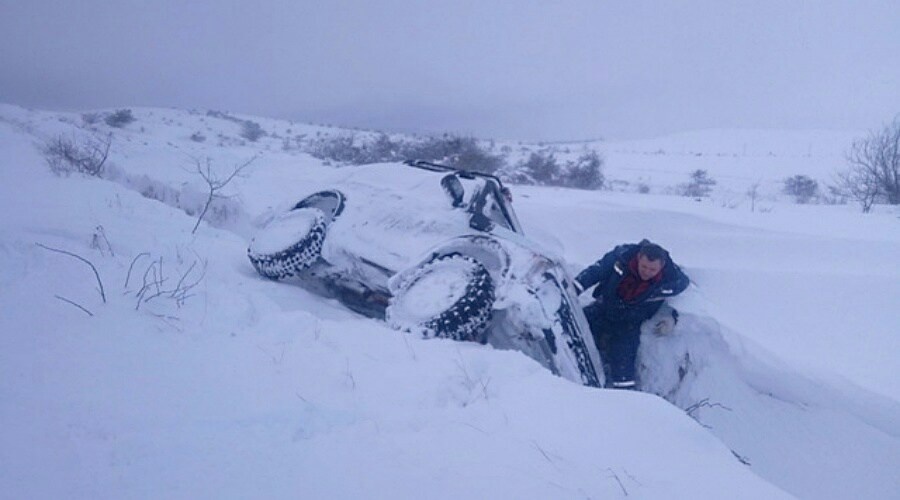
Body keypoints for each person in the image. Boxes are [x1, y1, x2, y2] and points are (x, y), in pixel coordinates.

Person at [573, 239, 690, 390]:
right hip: (604, 308)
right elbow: (596, 271)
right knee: (576, 329)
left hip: (629, 324)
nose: (646, 272)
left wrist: (670, 315)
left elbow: (683, 290)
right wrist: (573, 288)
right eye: (644, 266)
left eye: (652, 270)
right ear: (638, 257)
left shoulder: (670, 277)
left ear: (661, 266)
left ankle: (625, 403)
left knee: (623, 367)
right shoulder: (621, 257)